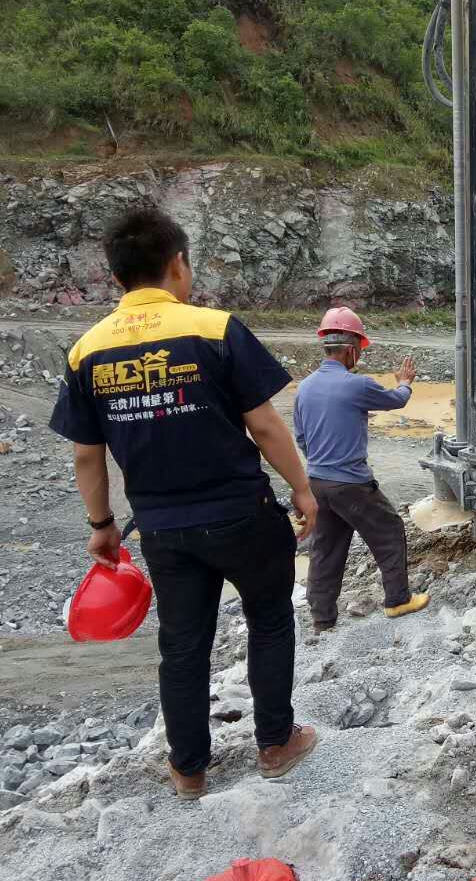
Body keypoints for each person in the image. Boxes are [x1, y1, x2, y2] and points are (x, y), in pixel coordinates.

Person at [49, 207, 320, 799]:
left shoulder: (86, 351)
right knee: (270, 622)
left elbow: (87, 456)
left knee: (182, 645)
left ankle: (189, 769)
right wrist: (302, 489)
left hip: (163, 530)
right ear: (178, 264)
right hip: (241, 515)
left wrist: (102, 525)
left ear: (117, 279)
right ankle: (276, 744)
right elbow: (266, 426)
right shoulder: (216, 329)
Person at [293, 307, 430, 630]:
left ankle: (322, 617)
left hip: (317, 482)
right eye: (359, 351)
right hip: (351, 483)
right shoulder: (355, 385)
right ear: (352, 348)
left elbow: (301, 437)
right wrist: (405, 382)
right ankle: (397, 600)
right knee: (390, 530)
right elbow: (396, 400)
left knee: (326, 548)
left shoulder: (305, 387)